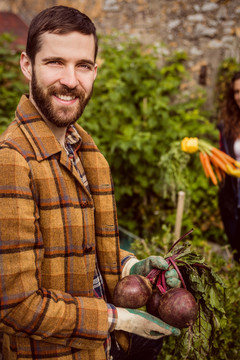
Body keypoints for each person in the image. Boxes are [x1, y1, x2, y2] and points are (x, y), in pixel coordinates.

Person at [0, 5, 181, 360]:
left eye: (83, 65)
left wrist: (131, 266)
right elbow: (16, 305)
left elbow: (82, 254)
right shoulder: (11, 162)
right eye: (55, 62)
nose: (70, 80)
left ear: (95, 71)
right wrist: (117, 319)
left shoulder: (89, 155)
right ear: (27, 65)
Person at [218, 71, 240, 262]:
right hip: (233, 199)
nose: (239, 96)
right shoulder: (226, 127)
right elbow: (222, 156)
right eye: (237, 92)